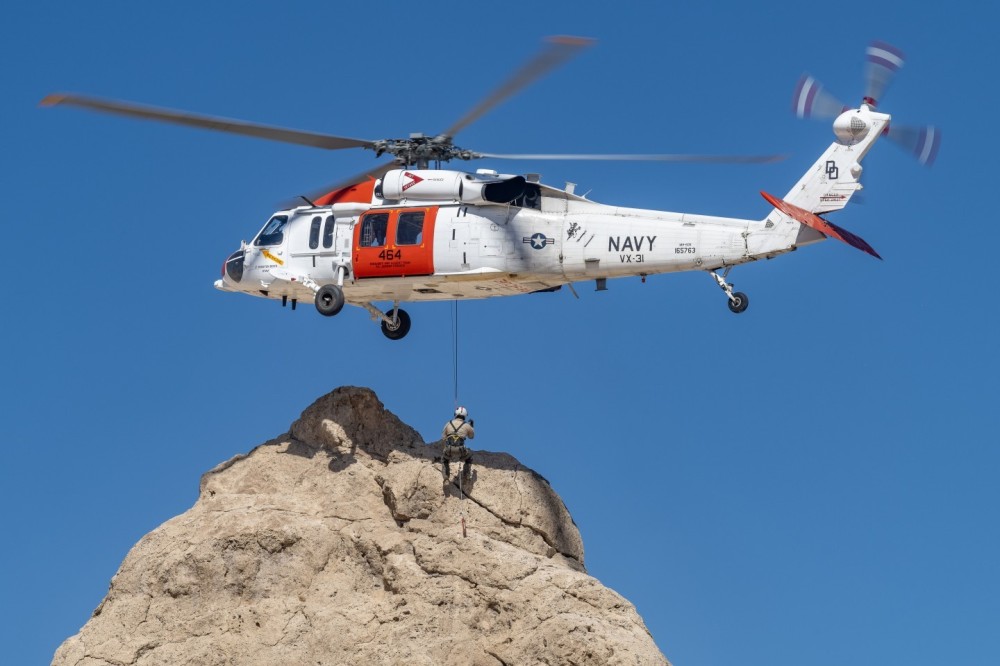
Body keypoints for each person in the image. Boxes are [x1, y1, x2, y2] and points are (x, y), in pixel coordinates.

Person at [441, 406, 475, 482]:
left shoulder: (448, 423)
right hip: (461, 449)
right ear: (465, 416)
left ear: (455, 414)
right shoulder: (467, 425)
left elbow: (443, 437)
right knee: (469, 458)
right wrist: (471, 426)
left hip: (449, 449)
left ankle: (446, 478)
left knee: (444, 459)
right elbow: (471, 436)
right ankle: (466, 475)